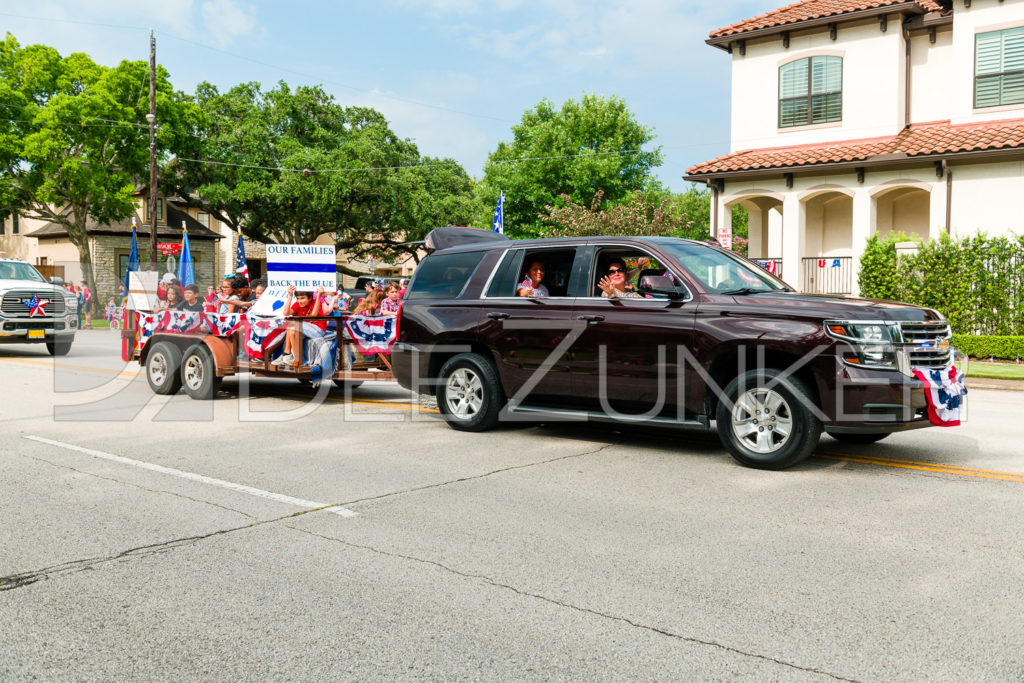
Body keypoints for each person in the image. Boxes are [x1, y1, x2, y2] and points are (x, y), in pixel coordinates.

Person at [272, 285, 327, 367]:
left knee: (292, 322)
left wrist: (319, 296)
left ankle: (289, 355)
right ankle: (292, 358)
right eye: (298, 298)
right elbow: (286, 313)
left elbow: (314, 315)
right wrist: (290, 296)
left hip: (318, 331)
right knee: (292, 331)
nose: (299, 301)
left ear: (310, 298)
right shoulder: (298, 304)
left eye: (302, 298)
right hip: (304, 329)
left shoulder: (316, 301)